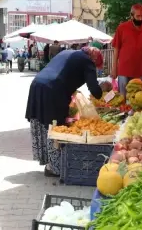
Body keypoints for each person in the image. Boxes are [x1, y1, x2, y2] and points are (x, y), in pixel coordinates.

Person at [25, 47, 106, 177]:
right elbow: (94, 89)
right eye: (96, 66)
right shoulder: (87, 61)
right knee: (55, 127)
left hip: (37, 84)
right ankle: (54, 168)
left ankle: (48, 162)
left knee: (43, 124)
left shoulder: (67, 52)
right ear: (94, 59)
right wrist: (103, 93)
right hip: (53, 90)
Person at [111, 3, 142, 96]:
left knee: (138, 98)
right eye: (138, 16)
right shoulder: (122, 28)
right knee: (122, 97)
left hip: (140, 71)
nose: (140, 19)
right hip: (123, 69)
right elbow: (116, 49)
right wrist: (114, 67)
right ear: (131, 15)